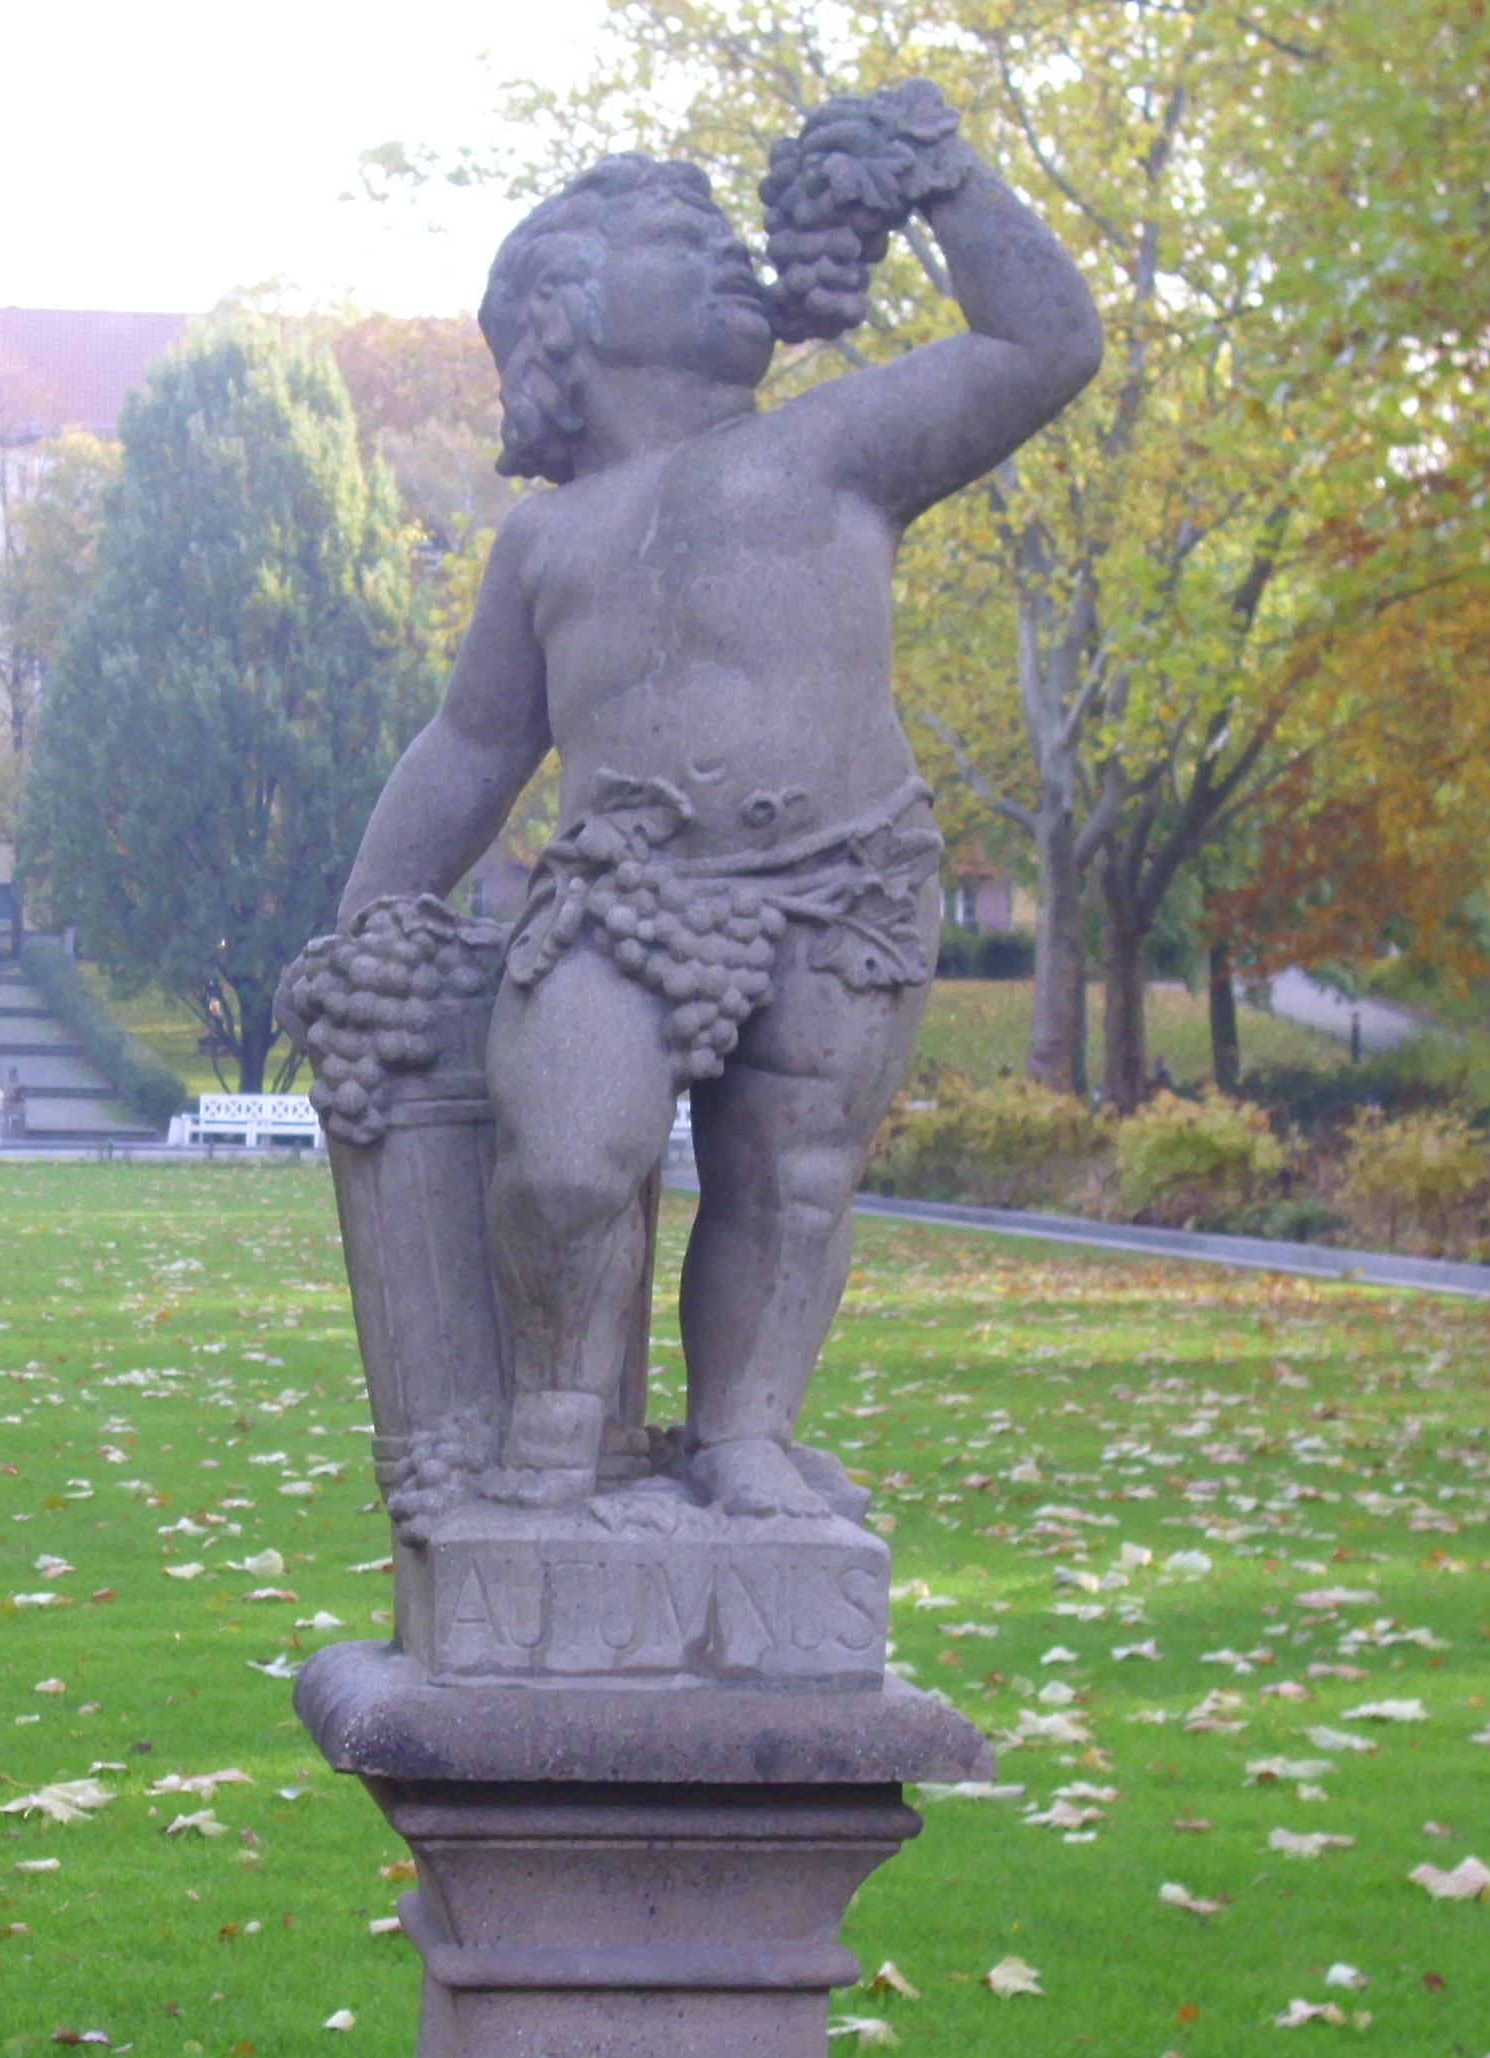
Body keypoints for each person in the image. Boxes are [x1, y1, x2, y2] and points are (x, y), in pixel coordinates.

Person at [333, 82, 1099, 1517]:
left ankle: (746, 1429)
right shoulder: (546, 538)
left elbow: (1044, 342)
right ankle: (563, 1418)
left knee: (790, 1180)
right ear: (568, 308)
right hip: (620, 896)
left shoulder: (838, 442)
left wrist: (937, 174)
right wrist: (370, 918)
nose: (733, 248)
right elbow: (470, 743)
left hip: (845, 876)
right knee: (565, 1160)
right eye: (681, 232)